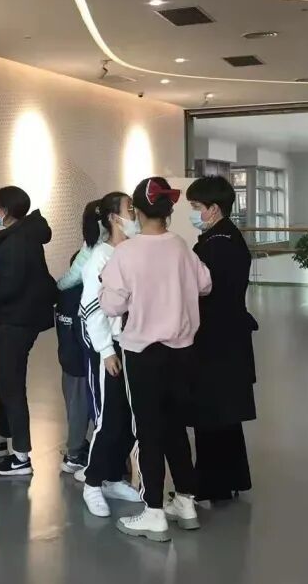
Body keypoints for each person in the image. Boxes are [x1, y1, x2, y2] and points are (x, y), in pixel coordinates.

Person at [99, 177, 211, 542]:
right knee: (176, 427)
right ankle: (186, 502)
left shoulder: (126, 253)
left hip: (143, 354)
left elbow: (111, 305)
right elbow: (205, 284)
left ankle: (153, 512)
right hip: (184, 352)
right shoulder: (181, 246)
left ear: (136, 211)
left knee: (148, 431)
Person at [186, 176, 258, 502]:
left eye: (196, 207)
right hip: (229, 335)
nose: (193, 213)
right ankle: (232, 478)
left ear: (213, 209)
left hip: (214, 338)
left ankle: (211, 484)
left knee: (210, 413)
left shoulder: (214, 245)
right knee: (226, 414)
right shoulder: (229, 236)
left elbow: (202, 291)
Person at [0, 185, 56, 477]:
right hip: (20, 319)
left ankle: (21, 455)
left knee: (11, 384)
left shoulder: (17, 242)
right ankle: (1, 437)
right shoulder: (24, 234)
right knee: (4, 379)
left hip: (15, 321)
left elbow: (7, 287)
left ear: (5, 211)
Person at [79, 191, 143, 518]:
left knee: (129, 417)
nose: (135, 214)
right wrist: (106, 350)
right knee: (110, 418)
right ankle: (92, 482)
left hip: (135, 344)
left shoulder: (134, 251)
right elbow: (92, 309)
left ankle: (114, 477)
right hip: (111, 346)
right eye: (130, 209)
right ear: (113, 218)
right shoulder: (100, 257)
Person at [56, 251, 91, 474]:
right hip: (81, 361)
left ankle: (77, 446)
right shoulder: (84, 294)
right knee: (80, 408)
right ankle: (74, 455)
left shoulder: (64, 293)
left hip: (66, 358)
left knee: (73, 406)